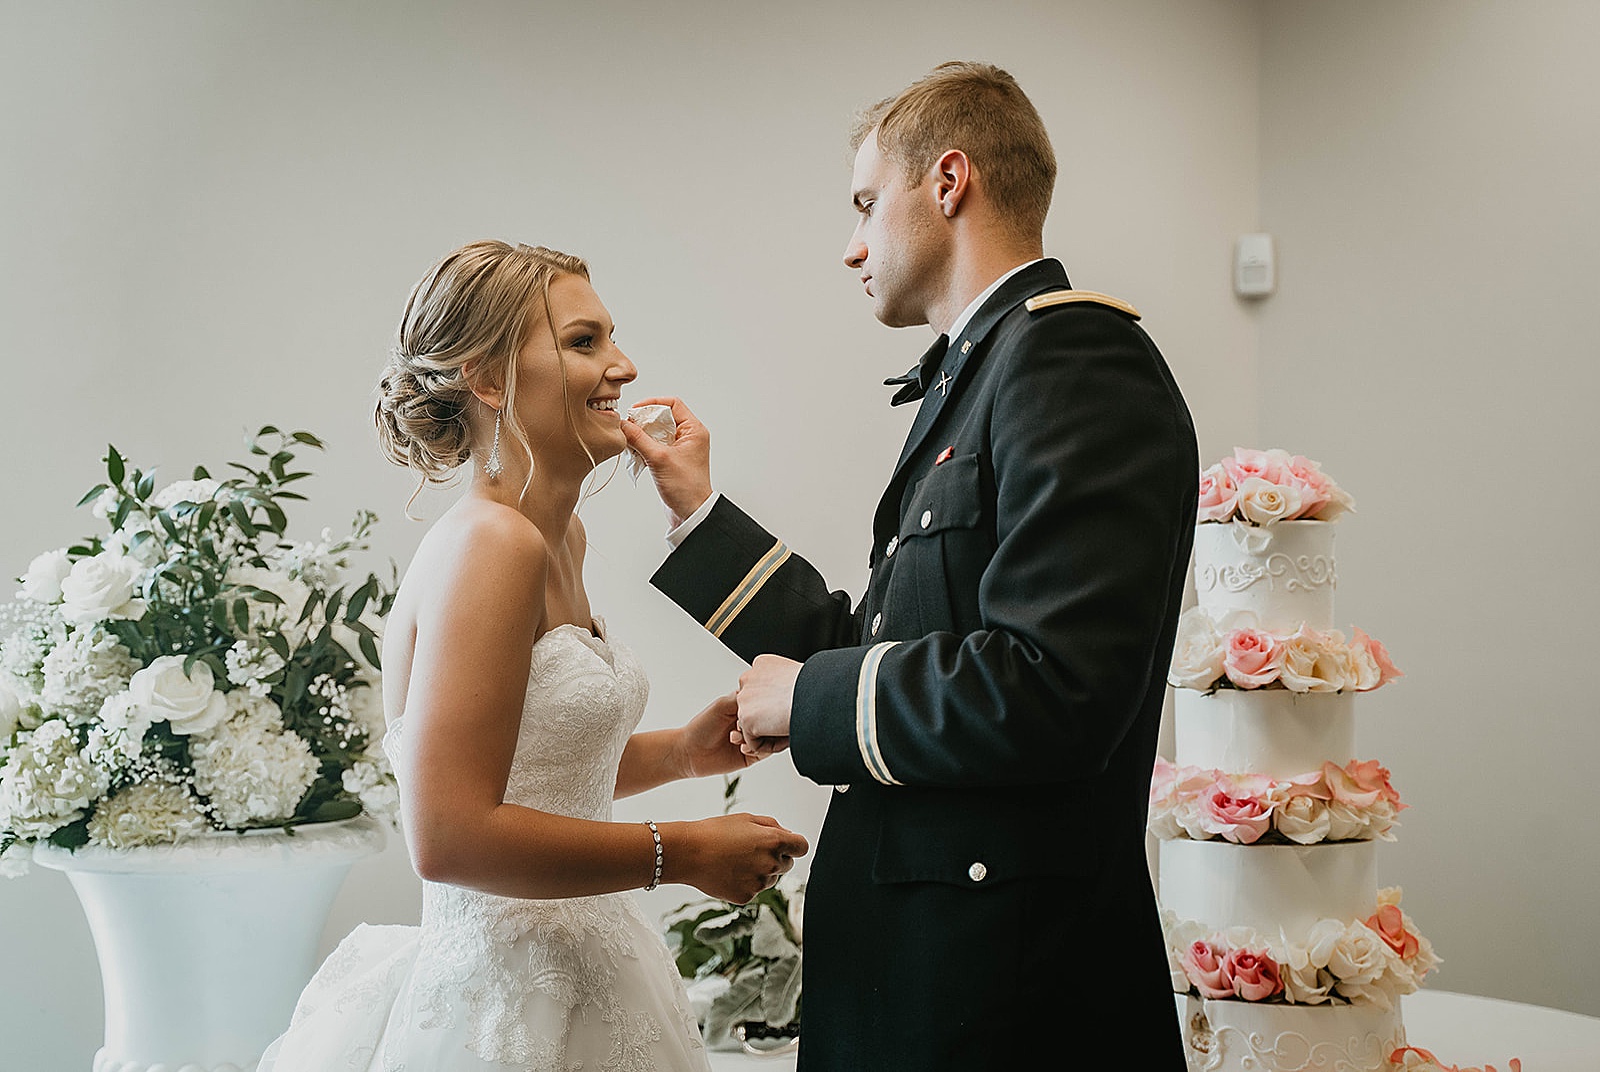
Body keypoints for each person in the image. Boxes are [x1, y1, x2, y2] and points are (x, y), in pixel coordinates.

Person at [622, 62, 1196, 1068]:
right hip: (930, 977)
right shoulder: (983, 373)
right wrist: (698, 512)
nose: (849, 246)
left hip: (1003, 1001)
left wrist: (808, 702)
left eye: (862, 204)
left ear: (948, 180)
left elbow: (1054, 687)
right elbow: (891, 647)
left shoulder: (1072, 362)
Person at [257, 239, 809, 1071]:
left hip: (593, 971)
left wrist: (681, 754)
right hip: (502, 1003)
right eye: (584, 341)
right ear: (486, 378)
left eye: (611, 338)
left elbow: (527, 768)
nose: (622, 366)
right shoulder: (492, 546)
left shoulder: (560, 537)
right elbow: (448, 834)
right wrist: (683, 851)